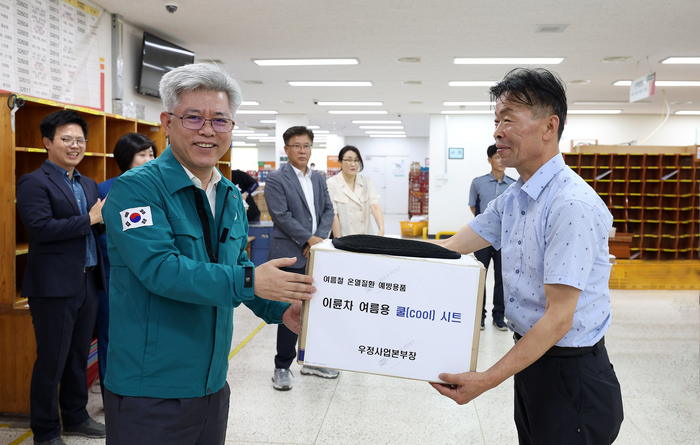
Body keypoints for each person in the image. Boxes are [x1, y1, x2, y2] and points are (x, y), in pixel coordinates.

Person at [101, 63, 316, 445]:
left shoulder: (230, 194)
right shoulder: (136, 190)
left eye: (220, 120)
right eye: (193, 117)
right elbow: (160, 269)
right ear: (167, 122)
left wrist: (280, 309)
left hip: (213, 383)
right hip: (149, 388)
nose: (207, 130)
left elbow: (235, 266)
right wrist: (250, 279)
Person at [431, 68, 623, 444]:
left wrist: (485, 380)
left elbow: (558, 320)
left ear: (549, 126)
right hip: (533, 360)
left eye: (509, 120)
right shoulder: (516, 197)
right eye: (496, 120)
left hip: (572, 376)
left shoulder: (570, 204)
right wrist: (371, 260)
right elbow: (450, 248)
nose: (497, 132)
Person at [16, 110, 107, 445]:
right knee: (51, 361)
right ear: (47, 143)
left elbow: (97, 225)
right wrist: (90, 218)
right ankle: (46, 431)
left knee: (78, 356)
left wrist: (108, 218)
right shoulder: (34, 182)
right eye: (66, 139)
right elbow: (40, 229)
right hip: (53, 286)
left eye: (80, 140)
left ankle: (76, 416)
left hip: (88, 280)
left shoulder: (87, 182)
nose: (75, 146)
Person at [265, 126, 337, 390]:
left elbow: (328, 209)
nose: (302, 150)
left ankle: (312, 360)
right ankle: (282, 366)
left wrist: (317, 238)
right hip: (290, 255)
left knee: (317, 308)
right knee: (290, 310)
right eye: (296, 145)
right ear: (286, 149)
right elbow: (280, 215)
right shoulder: (276, 179)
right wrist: (308, 239)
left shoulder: (318, 178)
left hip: (317, 253)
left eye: (306, 145)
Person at [95, 133, 157, 398]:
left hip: (152, 274)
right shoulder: (106, 189)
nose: (148, 160)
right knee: (112, 337)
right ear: (125, 158)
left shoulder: (159, 188)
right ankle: (112, 395)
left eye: (152, 154)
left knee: (146, 333)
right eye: (141, 155)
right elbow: (99, 232)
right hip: (114, 275)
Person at [468, 144, 515, 331]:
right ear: (489, 160)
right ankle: (479, 316)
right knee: (481, 275)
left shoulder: (513, 184)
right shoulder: (478, 182)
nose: (501, 161)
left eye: (502, 157)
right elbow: (473, 206)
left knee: (502, 278)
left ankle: (498, 316)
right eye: (496, 157)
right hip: (481, 237)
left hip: (505, 239)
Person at [326, 145, 384, 237]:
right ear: (340, 162)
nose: (353, 164)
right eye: (348, 160)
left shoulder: (367, 181)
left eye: (356, 160)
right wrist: (338, 239)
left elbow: (375, 206)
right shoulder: (332, 183)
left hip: (366, 234)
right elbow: (334, 215)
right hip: (345, 235)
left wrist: (381, 230)